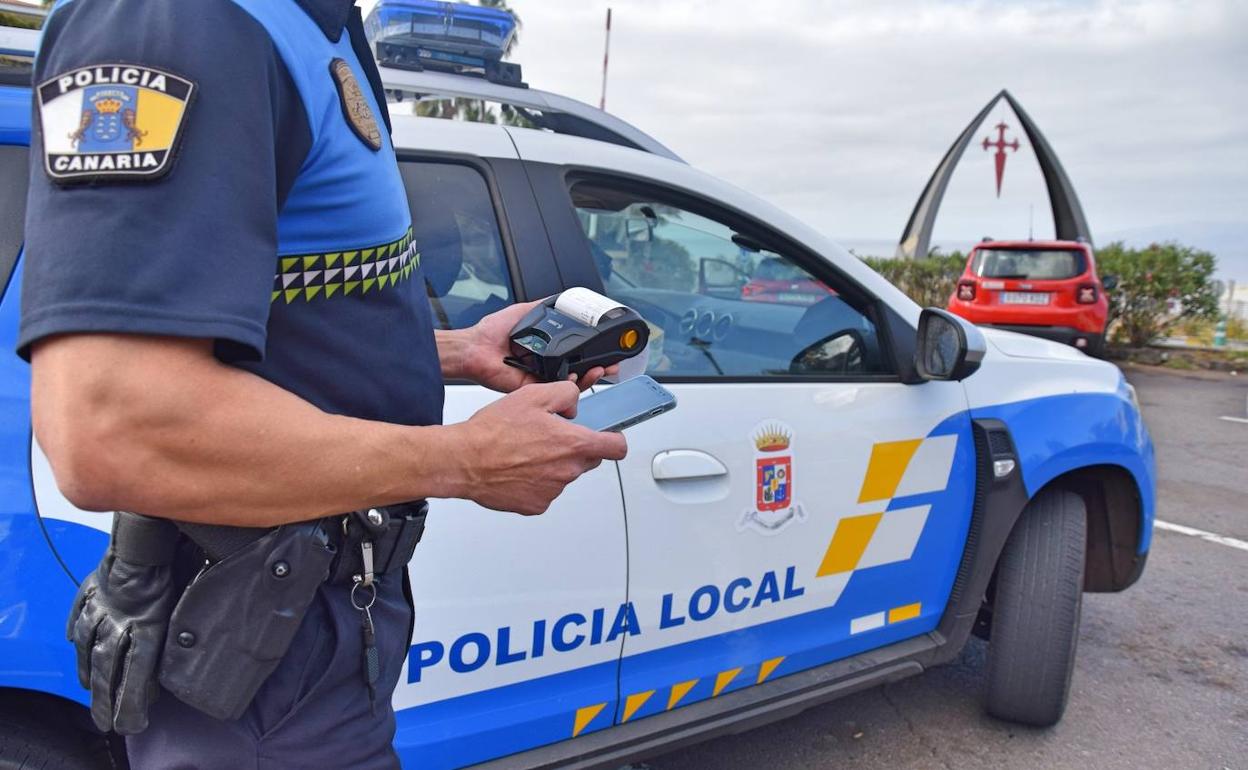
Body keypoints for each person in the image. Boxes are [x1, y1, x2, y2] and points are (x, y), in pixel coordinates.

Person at [20, 1, 627, 768]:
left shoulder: (315, 23)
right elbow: (114, 429)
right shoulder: (180, 19)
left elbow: (266, 315)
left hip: (319, 620)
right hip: (251, 636)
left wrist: (453, 349)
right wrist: (463, 461)